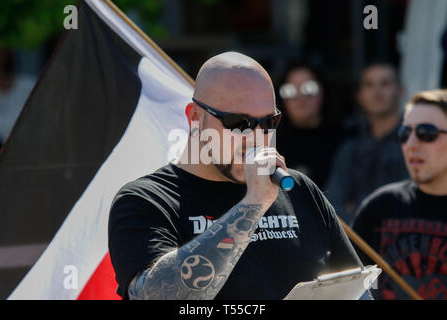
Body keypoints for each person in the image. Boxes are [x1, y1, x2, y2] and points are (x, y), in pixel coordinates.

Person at [108, 52, 367, 300]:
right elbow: (158, 295)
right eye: (239, 124)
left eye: (268, 123)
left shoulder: (299, 189)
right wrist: (254, 204)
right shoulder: (145, 201)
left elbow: (357, 291)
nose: (255, 137)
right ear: (195, 119)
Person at [352, 89, 447, 300]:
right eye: (405, 133)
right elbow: (351, 288)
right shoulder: (378, 207)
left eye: (426, 133)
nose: (411, 144)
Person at [325, 62, 408, 224]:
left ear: (400, 91)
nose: (377, 92)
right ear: (360, 96)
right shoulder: (348, 150)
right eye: (369, 85)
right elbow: (331, 206)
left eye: (385, 83)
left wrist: (355, 208)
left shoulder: (415, 144)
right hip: (354, 243)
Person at [276, 63, 344, 187]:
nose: (300, 98)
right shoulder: (270, 143)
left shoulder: (345, 141)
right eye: (290, 91)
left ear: (323, 91)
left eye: (309, 89)